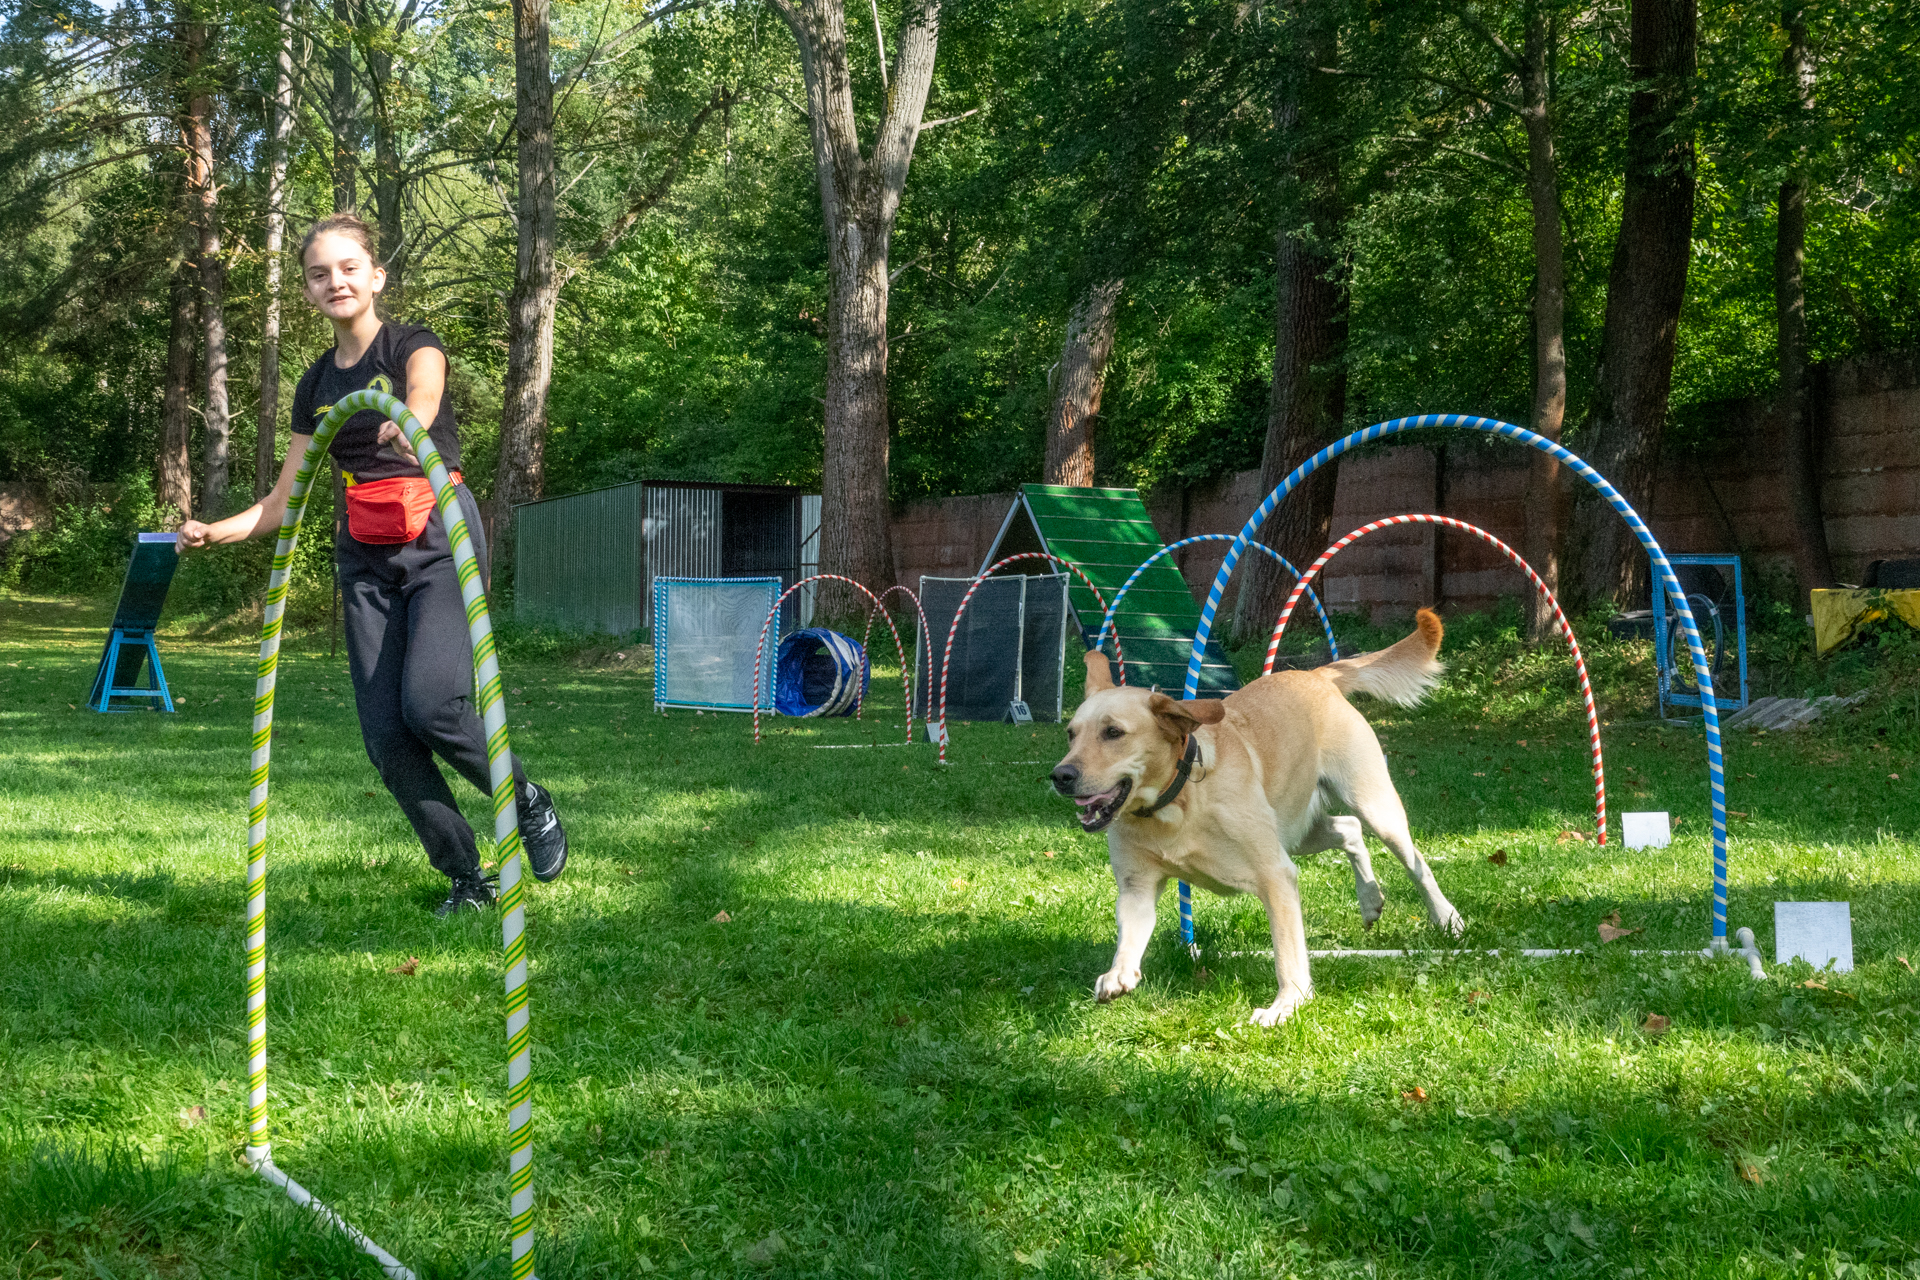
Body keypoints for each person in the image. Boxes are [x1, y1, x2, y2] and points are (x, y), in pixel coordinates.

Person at [179, 212, 568, 915]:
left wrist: (409, 423)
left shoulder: (412, 344)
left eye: (348, 268)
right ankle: (466, 876)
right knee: (387, 737)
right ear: (307, 290)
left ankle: (527, 800)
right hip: (365, 553)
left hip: (438, 537)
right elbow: (281, 502)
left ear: (376, 277)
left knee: (433, 705)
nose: (335, 282)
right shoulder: (315, 385)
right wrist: (215, 531)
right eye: (319, 274)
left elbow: (425, 391)